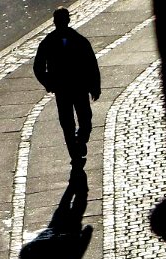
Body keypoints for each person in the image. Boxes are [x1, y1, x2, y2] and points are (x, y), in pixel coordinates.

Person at [33, 7, 101, 166]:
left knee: (84, 120)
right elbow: (38, 67)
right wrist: (49, 83)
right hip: (66, 88)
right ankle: (75, 152)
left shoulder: (77, 40)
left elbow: (91, 64)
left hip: (77, 87)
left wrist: (95, 86)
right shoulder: (51, 42)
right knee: (68, 122)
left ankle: (79, 141)